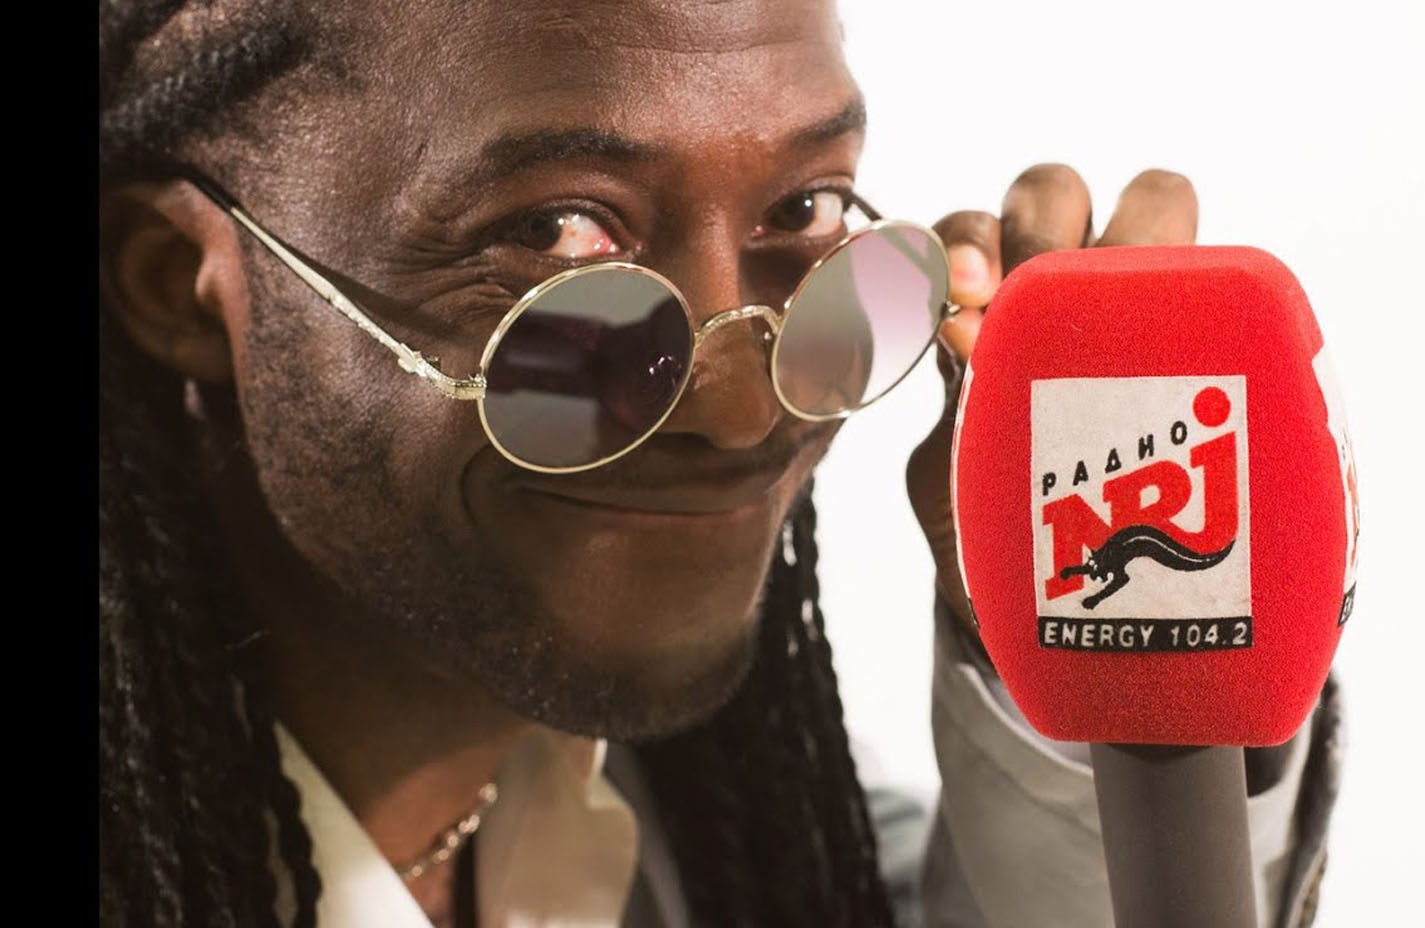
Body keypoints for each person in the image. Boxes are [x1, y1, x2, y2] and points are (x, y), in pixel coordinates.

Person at [97, 1, 1342, 926]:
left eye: (803, 211)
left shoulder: (739, 843)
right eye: (557, 231)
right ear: (178, 285)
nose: (746, 409)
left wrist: (1116, 653)